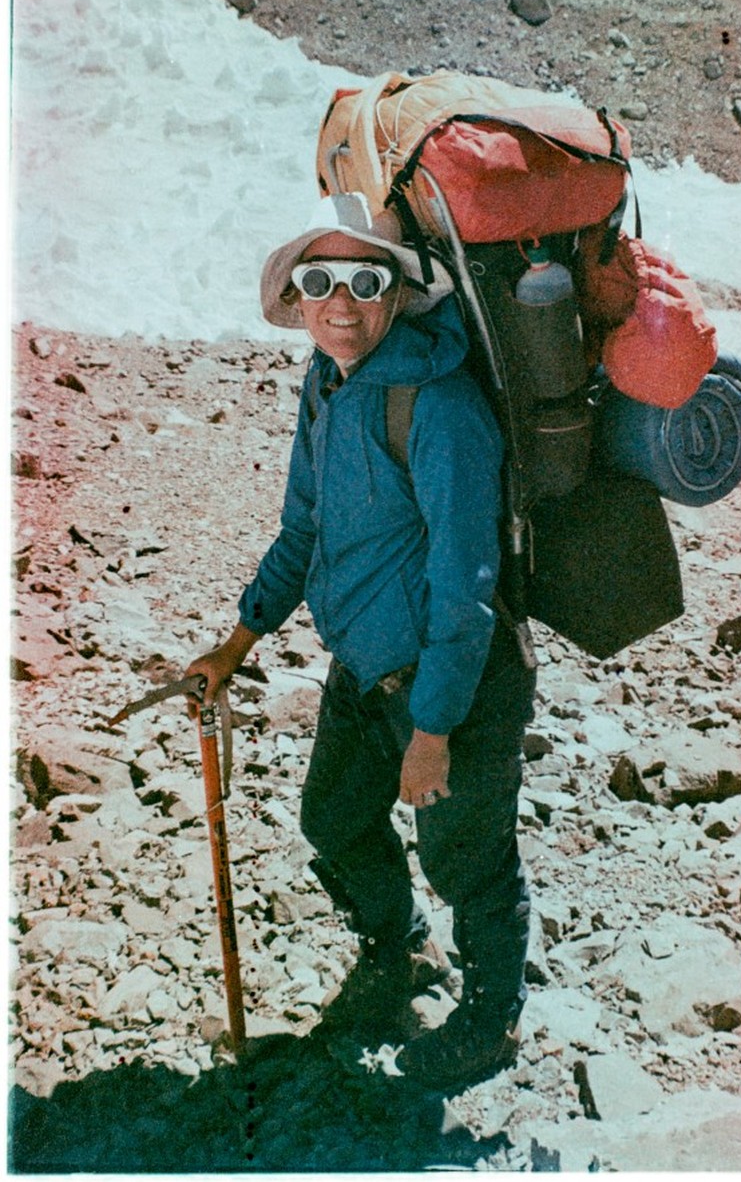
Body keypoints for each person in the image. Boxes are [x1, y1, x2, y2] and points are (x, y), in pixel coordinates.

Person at [186, 192, 536, 1092]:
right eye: (319, 280)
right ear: (298, 297)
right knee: (333, 819)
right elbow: (303, 522)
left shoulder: (440, 407)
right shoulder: (328, 380)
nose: (339, 302)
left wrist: (432, 730)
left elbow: (466, 585)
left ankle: (492, 1019)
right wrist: (239, 640)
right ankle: (400, 950)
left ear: (401, 292)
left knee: (467, 859)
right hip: (365, 667)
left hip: (452, 682)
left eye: (364, 279)